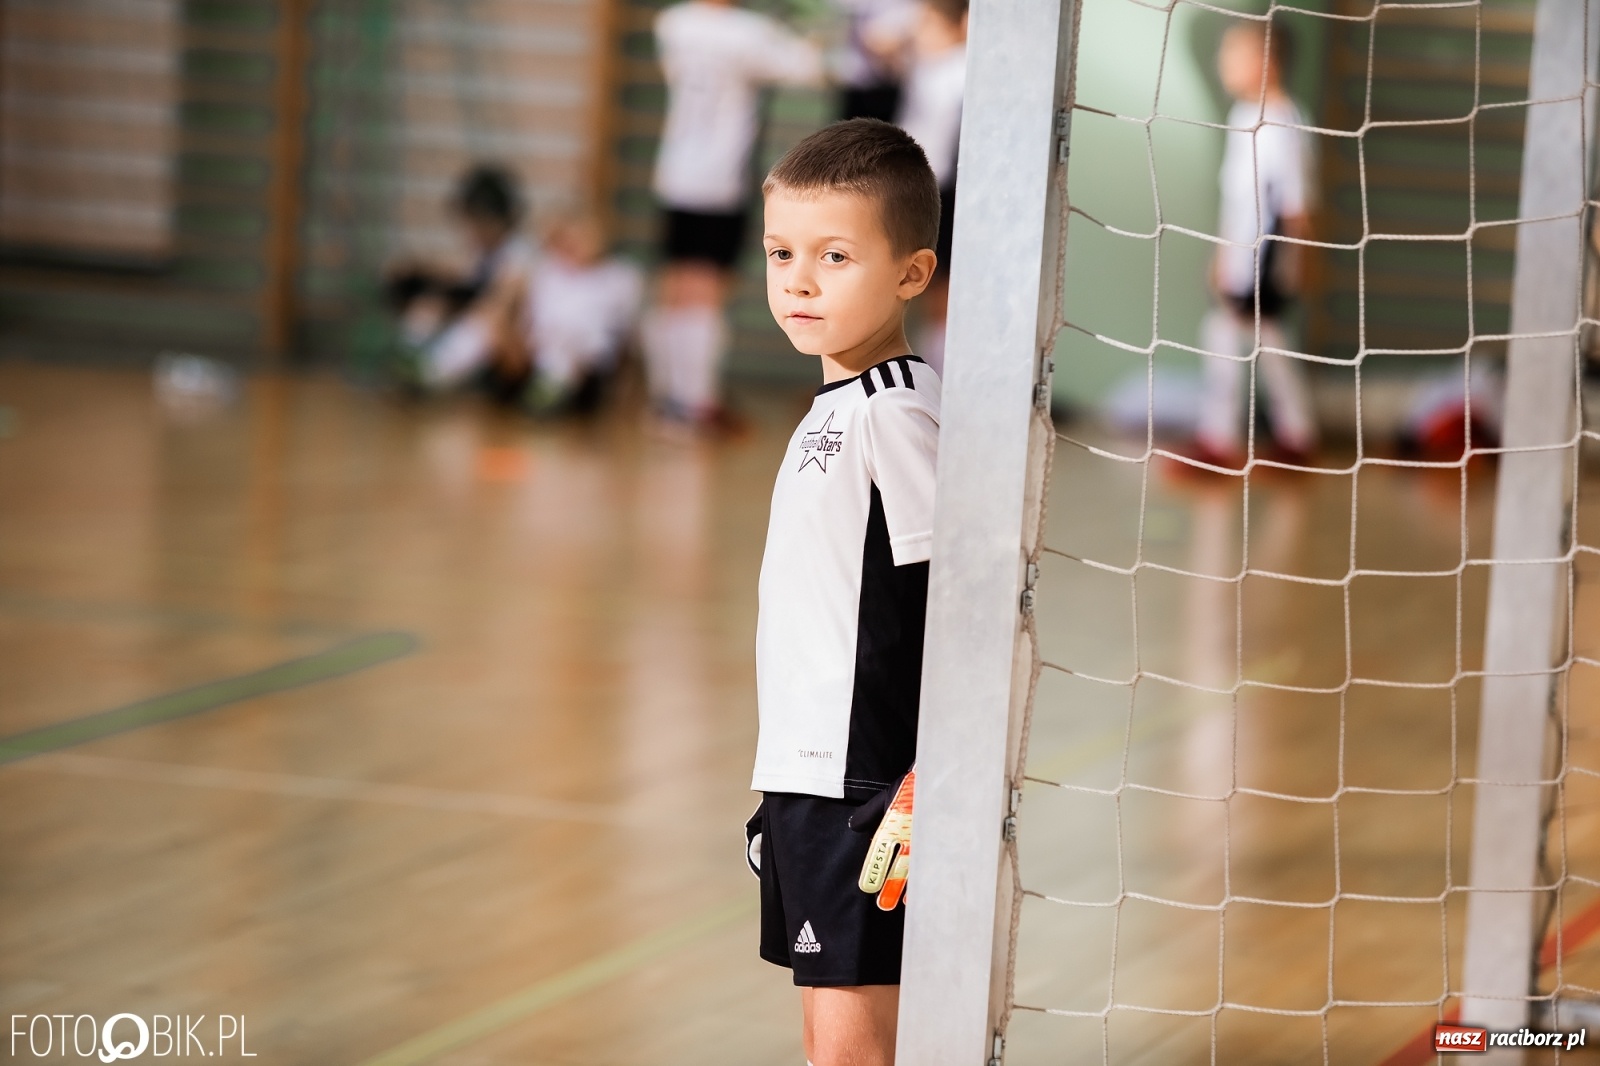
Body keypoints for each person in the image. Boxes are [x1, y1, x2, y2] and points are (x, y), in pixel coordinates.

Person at [745, 118, 941, 1066]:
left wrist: (926, 778)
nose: (799, 281)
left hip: (865, 787)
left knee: (848, 1047)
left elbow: (957, 603)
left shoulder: (894, 411)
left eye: (834, 256)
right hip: (808, 777)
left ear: (911, 273)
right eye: (781, 253)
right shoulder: (839, 407)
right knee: (829, 1037)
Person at [643, 0, 823, 430]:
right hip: (720, 180)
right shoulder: (747, 33)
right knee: (708, 288)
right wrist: (809, 39)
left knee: (676, 285)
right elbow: (807, 68)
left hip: (676, 173)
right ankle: (695, 402)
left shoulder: (674, 23)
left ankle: (666, 399)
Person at [1194, 21, 1318, 468]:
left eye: (1234, 54)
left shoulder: (1283, 122)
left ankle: (1219, 442)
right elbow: (1237, 200)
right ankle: (1296, 435)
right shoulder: (1242, 115)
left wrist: (1291, 263)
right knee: (1267, 342)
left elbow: (1296, 205)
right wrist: (1222, 254)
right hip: (1239, 254)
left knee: (1225, 334)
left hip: (1265, 256)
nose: (1222, 63)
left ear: (1267, 62)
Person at [386, 165, 536, 400]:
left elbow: (501, 302)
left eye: (479, 222)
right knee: (431, 304)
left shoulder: (518, 254)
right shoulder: (483, 252)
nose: (473, 231)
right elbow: (463, 281)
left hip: (516, 341)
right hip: (490, 324)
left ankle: (434, 371)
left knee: (483, 324)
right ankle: (408, 355)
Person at [893, 0, 966, 376]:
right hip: (913, 186)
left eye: (927, 24)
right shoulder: (925, 66)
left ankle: (942, 384)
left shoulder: (963, 70)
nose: (917, 33)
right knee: (917, 291)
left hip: (943, 191)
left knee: (942, 293)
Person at [522, 211, 644, 417]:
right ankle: (549, 387)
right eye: (573, 239)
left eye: (586, 237)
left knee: (570, 343)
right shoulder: (550, 272)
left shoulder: (621, 277)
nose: (579, 245)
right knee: (558, 343)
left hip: (591, 362)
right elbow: (536, 322)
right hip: (545, 352)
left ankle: (551, 388)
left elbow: (625, 333)